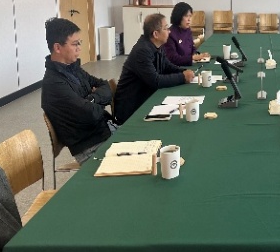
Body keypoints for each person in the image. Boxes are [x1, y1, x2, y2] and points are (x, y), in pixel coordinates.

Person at [41, 18, 117, 164]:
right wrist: (97, 99)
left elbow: (105, 86)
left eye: (79, 43)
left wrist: (92, 99)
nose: (79, 48)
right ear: (58, 48)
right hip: (92, 147)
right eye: (75, 44)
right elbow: (92, 113)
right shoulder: (54, 84)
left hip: (106, 129)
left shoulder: (73, 69)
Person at [114, 13, 194, 124]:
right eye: (166, 28)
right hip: (132, 108)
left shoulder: (157, 46)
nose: (169, 31)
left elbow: (167, 66)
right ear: (156, 34)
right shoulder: (142, 51)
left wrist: (184, 71)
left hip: (145, 97)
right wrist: (183, 77)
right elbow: (156, 81)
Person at [163, 2, 210, 66]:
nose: (189, 19)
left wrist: (199, 55)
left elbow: (192, 47)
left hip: (189, 64)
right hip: (177, 67)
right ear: (178, 16)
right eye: (186, 16)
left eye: (190, 16)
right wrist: (192, 58)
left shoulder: (187, 30)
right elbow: (173, 59)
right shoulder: (170, 34)